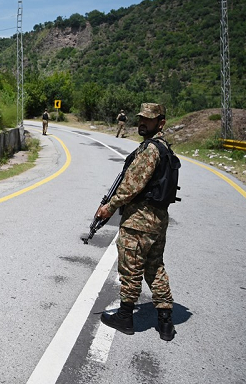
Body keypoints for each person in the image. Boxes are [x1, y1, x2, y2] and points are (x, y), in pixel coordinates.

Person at [95, 103, 176, 341]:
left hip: (140, 219)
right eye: (141, 118)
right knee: (155, 267)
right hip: (158, 218)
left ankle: (125, 316)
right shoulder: (164, 148)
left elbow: (131, 186)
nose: (142, 123)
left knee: (131, 269)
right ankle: (165, 322)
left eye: (148, 120)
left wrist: (108, 208)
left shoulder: (151, 149)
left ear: (160, 123)